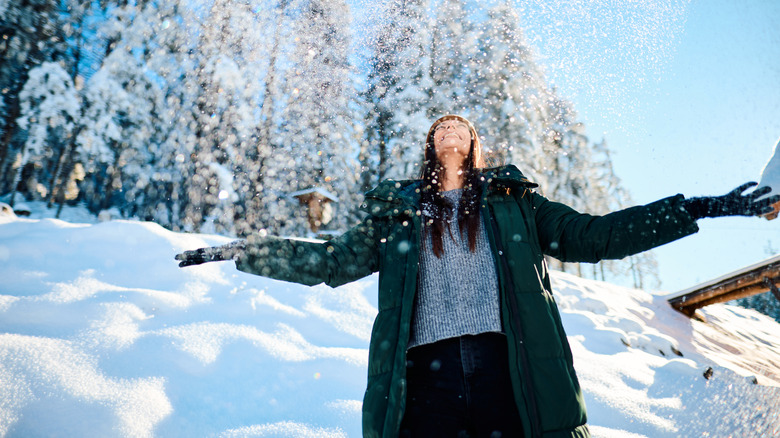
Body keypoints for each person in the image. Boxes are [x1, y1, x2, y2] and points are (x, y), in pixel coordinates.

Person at [176, 115, 779, 438]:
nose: (449, 130)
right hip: (424, 376)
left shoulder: (516, 205)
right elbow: (332, 262)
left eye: (460, 125)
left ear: (475, 144)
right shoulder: (399, 214)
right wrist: (248, 250)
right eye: (439, 126)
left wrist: (701, 205)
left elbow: (598, 237)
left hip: (505, 367)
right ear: (429, 145)